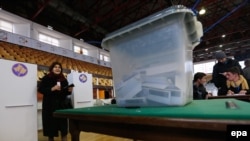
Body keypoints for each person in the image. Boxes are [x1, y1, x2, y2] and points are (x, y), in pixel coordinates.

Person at [38, 62, 73, 141]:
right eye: (55, 67)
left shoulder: (63, 79)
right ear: (51, 69)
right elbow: (41, 89)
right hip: (50, 106)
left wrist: (69, 90)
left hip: (61, 106)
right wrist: (52, 89)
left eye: (59, 67)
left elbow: (65, 92)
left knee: (63, 128)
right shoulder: (46, 78)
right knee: (51, 129)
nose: (57, 68)